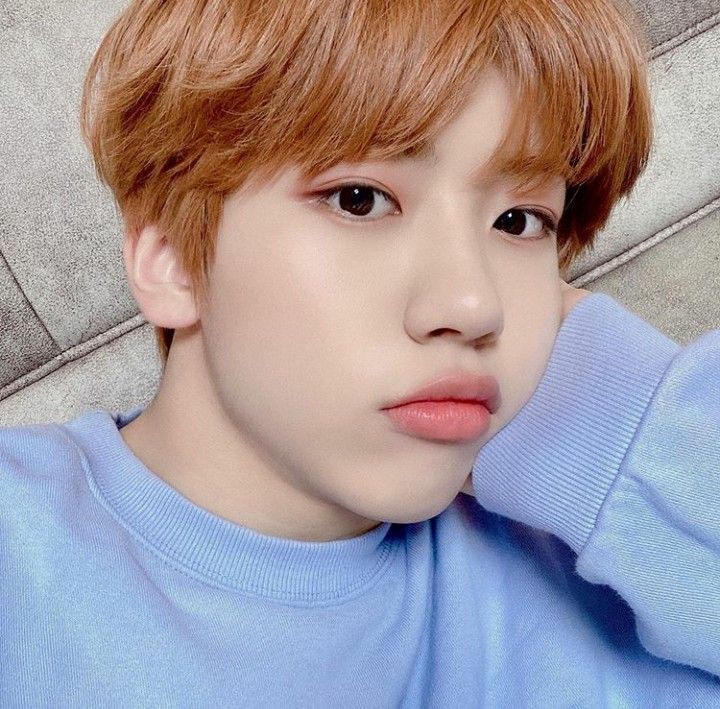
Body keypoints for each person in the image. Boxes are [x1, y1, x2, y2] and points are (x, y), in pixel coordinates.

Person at [1, 0, 718, 705]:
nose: (475, 305)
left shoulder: (631, 577)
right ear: (172, 260)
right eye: (359, 200)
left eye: (519, 220)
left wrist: (618, 419)